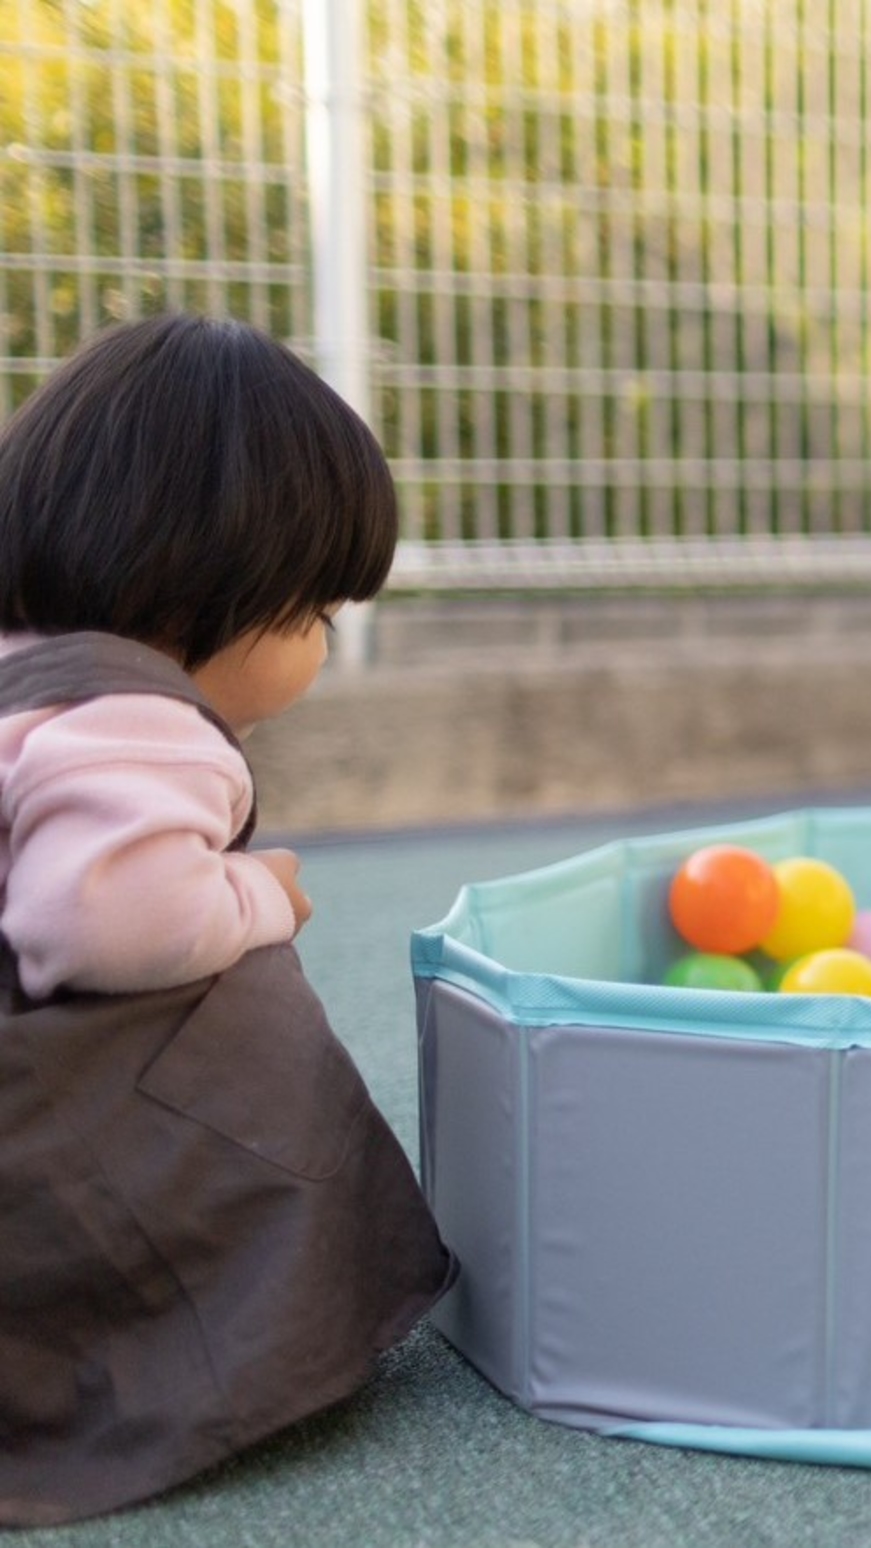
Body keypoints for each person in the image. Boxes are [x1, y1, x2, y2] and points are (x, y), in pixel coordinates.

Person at [0, 315, 452, 1527]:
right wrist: (262, 894)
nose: (316, 649)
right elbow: (99, 922)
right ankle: (233, 1326)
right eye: (311, 618)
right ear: (201, 592)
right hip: (50, 1180)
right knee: (237, 966)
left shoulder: (24, 683)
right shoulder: (134, 718)